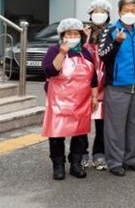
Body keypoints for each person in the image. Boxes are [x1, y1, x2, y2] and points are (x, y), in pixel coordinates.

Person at [41, 18, 98, 180]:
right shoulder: (54, 50)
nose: (72, 36)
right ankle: (58, 165)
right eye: (69, 33)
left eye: (76, 34)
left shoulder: (85, 52)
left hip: (81, 100)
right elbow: (49, 71)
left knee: (80, 134)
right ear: (62, 35)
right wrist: (62, 53)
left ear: (81, 35)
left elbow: (93, 78)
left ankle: (76, 164)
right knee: (57, 134)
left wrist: (94, 97)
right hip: (59, 102)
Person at [99, 0, 135, 176]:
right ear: (119, 12)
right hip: (117, 85)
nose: (129, 13)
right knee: (115, 126)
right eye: (126, 10)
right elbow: (102, 55)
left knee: (133, 125)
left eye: (133, 11)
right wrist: (117, 42)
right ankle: (115, 161)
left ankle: (130, 159)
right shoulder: (110, 30)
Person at [81, 0, 112, 171]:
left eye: (102, 11)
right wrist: (83, 38)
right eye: (96, 11)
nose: (99, 14)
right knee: (83, 120)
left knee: (102, 122)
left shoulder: (112, 32)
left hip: (105, 83)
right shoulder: (82, 32)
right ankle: (81, 153)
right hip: (85, 83)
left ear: (108, 14)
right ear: (90, 14)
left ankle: (99, 154)